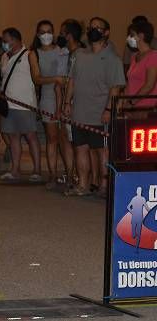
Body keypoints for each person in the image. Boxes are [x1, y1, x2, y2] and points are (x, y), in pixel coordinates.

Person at [63, 17, 125, 197]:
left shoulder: (113, 59)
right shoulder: (80, 55)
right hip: (79, 112)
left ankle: (105, 186)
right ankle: (83, 185)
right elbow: (72, 81)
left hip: (100, 114)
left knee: (102, 151)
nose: (94, 30)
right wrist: (67, 102)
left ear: (106, 32)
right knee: (80, 148)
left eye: (98, 28)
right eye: (91, 27)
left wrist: (108, 110)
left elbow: (115, 87)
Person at [0, 27, 41, 182]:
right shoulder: (4, 57)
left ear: (15, 40)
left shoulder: (29, 55)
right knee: (13, 137)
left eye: (6, 40)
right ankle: (15, 170)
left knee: (31, 137)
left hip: (25, 105)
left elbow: (36, 78)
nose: (4, 43)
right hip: (8, 105)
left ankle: (37, 170)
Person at [33, 20, 72, 188]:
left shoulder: (62, 51)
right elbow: (37, 79)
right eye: (42, 32)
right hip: (48, 98)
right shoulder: (34, 53)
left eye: (49, 31)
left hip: (64, 97)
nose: (46, 35)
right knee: (52, 138)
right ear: (37, 34)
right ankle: (52, 175)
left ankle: (70, 174)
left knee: (66, 138)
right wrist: (54, 79)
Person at [125, 19, 157, 109]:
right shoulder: (134, 56)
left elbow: (149, 85)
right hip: (131, 108)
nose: (128, 38)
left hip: (145, 108)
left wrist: (132, 102)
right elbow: (129, 83)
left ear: (141, 36)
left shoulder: (153, 56)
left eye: (131, 35)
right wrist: (124, 100)